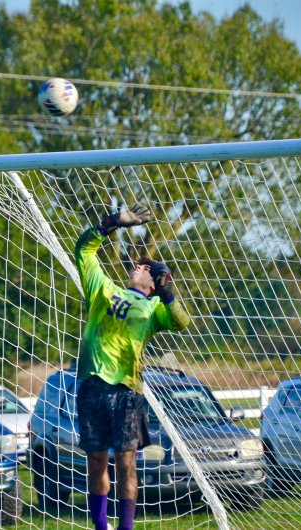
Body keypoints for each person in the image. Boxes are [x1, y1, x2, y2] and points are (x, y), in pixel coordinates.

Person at [74, 203, 191, 530]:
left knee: (126, 464)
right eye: (137, 264)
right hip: (91, 386)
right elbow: (83, 249)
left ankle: (125, 527)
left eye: (146, 268)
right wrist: (112, 223)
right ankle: (101, 526)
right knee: (96, 462)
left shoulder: (154, 307)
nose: (138, 266)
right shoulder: (103, 288)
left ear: (153, 283)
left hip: (127, 392)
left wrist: (167, 292)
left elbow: (182, 321)